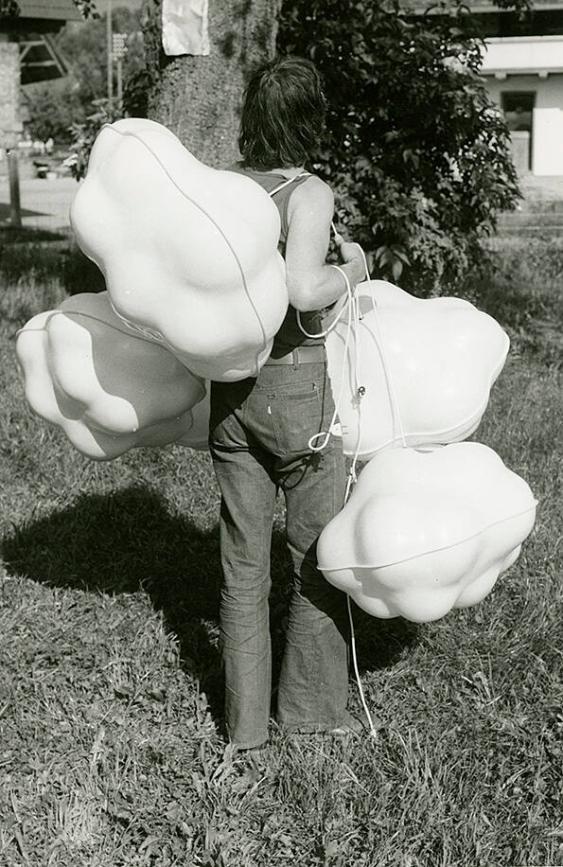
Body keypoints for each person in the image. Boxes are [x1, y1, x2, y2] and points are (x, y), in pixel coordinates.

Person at [208, 56, 366, 751]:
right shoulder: (307, 193)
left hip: (231, 392)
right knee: (313, 556)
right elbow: (304, 289)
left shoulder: (222, 186)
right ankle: (306, 716)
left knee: (242, 566)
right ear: (310, 121)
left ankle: (242, 730)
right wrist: (353, 267)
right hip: (296, 384)